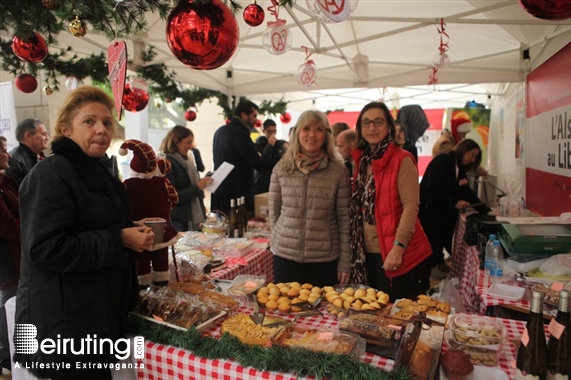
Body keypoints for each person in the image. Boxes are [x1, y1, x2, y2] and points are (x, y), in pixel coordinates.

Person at [14, 86, 155, 380]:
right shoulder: (51, 173)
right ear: (65, 129)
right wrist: (119, 238)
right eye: (89, 121)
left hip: (92, 315)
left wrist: (128, 229)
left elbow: (92, 224)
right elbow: (46, 249)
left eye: (106, 122)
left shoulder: (96, 172)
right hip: (65, 325)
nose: (101, 129)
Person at [350, 101, 432, 300]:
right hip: (365, 251)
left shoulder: (402, 159)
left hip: (392, 251)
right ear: (359, 128)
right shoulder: (361, 161)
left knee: (389, 315)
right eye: (366, 122)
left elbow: (411, 206)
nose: (372, 127)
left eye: (378, 122)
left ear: (389, 126)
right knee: (369, 309)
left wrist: (398, 247)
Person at [268, 110, 351, 287]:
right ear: (298, 133)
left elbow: (345, 220)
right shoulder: (281, 168)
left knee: (323, 313)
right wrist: (277, 242)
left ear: (326, 135)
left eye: (319, 129)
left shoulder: (339, 171)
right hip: (285, 257)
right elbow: (273, 213)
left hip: (324, 260)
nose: (312, 134)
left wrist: (345, 261)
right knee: (286, 312)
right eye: (306, 128)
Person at [419, 138, 491, 279]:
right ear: (464, 149)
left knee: (441, 240)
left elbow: (467, 193)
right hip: (430, 212)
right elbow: (433, 187)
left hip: (443, 214)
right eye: (472, 155)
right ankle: (430, 270)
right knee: (432, 242)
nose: (473, 160)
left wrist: (487, 210)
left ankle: (438, 264)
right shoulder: (443, 161)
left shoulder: (459, 169)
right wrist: (455, 202)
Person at [119, 139, 180, 287]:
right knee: (161, 259)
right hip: (161, 228)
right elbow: (174, 199)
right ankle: (162, 285)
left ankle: (143, 287)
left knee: (142, 260)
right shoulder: (162, 182)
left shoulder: (128, 184)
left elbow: (121, 205)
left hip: (140, 230)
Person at [212, 100, 279, 216]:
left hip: (220, 191)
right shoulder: (240, 134)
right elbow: (258, 164)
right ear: (244, 115)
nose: (255, 120)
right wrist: (282, 158)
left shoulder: (220, 131)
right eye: (254, 116)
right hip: (236, 193)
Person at [161, 125, 213, 232]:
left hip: (190, 216)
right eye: (188, 142)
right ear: (176, 141)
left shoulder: (187, 161)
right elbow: (173, 197)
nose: (191, 146)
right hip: (179, 219)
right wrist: (198, 187)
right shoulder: (167, 163)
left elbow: (188, 184)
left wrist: (203, 182)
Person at [0, 136, 20, 373]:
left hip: (18, 258)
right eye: (4, 150)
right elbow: (6, 224)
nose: (8, 155)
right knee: (8, 306)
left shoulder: (6, 181)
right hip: (8, 261)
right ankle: (6, 356)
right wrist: (35, 229)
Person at [6, 118, 49, 186]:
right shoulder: (14, 161)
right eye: (43, 134)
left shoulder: (44, 158)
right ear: (29, 136)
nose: (47, 138)